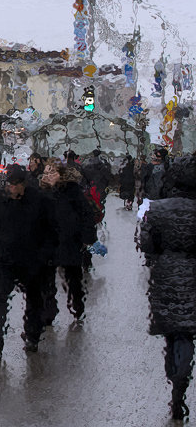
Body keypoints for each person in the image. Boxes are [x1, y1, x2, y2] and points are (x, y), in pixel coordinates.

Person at [0, 164, 58, 357]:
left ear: (24, 184)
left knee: (34, 301)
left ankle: (32, 335)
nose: (13, 188)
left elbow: (52, 232)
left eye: (17, 184)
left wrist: (47, 257)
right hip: (5, 260)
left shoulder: (41, 202)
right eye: (10, 184)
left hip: (33, 262)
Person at [137, 154, 196, 420]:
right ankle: (181, 383)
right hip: (192, 275)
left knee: (171, 332)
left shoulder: (157, 209)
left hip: (165, 274)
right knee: (186, 333)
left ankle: (174, 378)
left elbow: (146, 244)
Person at [39, 161, 97, 326]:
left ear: (61, 174)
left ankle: (77, 306)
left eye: (53, 173)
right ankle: (48, 312)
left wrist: (87, 238)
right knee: (46, 280)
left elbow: (86, 214)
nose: (48, 176)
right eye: (46, 173)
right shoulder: (41, 193)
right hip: (47, 243)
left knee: (73, 278)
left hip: (69, 241)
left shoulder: (72, 191)